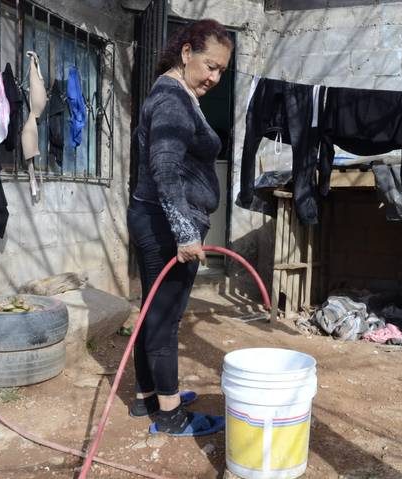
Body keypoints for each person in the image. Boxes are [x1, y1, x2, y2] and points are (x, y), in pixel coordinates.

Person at [126, 19, 233, 436]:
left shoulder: (176, 93)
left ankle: (147, 397)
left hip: (155, 218)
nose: (215, 77)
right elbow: (165, 170)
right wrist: (185, 233)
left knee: (153, 311)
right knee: (165, 317)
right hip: (164, 224)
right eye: (210, 65)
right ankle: (170, 415)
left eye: (221, 70)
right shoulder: (172, 99)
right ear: (186, 53)